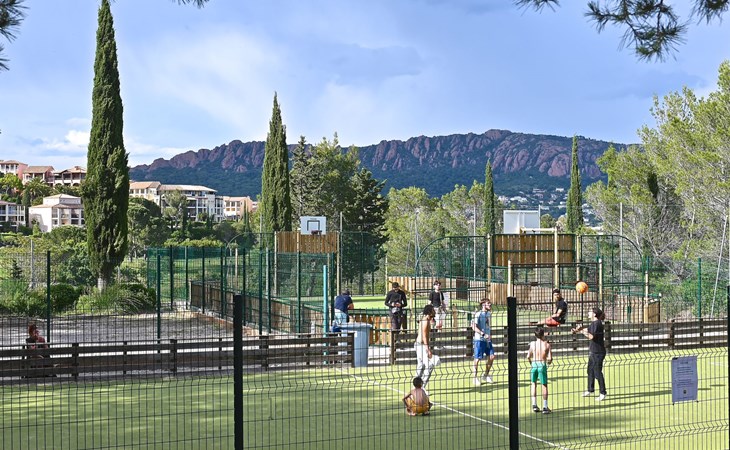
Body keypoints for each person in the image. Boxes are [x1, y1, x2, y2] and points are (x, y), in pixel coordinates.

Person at [572, 307, 607, 401]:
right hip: (593, 352)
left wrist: (582, 331)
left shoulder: (597, 323)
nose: (588, 312)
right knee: (590, 371)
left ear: (594, 314)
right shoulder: (593, 323)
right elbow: (588, 330)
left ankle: (603, 393)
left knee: (597, 372)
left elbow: (591, 336)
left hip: (598, 352)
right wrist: (578, 330)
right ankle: (590, 389)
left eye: (590, 311)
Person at [527, 326, 553, 414]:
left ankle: (534, 405)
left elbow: (528, 356)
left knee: (533, 384)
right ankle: (545, 407)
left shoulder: (532, 344)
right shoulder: (547, 345)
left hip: (534, 364)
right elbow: (550, 358)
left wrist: (531, 363)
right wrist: (548, 362)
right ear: (543, 334)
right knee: (544, 385)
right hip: (542, 364)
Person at [414, 304, 439, 392]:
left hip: (419, 345)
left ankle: (415, 386)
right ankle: (422, 387)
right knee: (429, 365)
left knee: (420, 366)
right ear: (429, 312)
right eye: (433, 310)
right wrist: (428, 350)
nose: (434, 311)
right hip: (420, 346)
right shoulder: (425, 321)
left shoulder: (426, 320)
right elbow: (424, 337)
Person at [471, 298, 496, 385]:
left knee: (492, 357)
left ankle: (486, 375)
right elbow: (474, 327)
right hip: (479, 340)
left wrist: (489, 334)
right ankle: (474, 378)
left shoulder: (489, 314)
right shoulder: (478, 314)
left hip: (488, 340)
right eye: (488, 303)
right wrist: (483, 334)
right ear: (483, 304)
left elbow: (488, 326)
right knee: (477, 359)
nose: (490, 304)